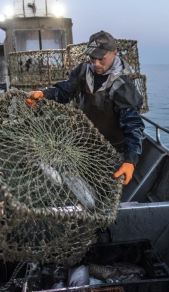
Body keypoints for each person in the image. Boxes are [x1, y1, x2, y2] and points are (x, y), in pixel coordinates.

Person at [26, 31, 145, 185]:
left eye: (101, 59)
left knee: (104, 187)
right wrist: (44, 93)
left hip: (112, 149)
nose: (96, 64)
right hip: (86, 141)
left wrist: (130, 161)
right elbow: (65, 90)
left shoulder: (122, 86)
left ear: (114, 53)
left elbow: (133, 126)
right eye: (92, 58)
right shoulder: (84, 70)